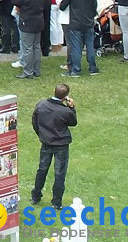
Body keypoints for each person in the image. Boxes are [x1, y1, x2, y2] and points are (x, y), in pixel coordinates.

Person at [30, 83, 77, 211]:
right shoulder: (65, 111)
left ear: (54, 91)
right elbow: (73, 122)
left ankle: (35, 197)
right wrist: (72, 108)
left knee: (42, 169)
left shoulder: (41, 105)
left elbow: (34, 121)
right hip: (61, 145)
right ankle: (56, 202)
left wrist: (42, 135)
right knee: (59, 174)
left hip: (46, 143)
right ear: (66, 97)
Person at [58, 0, 99, 76]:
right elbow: (94, 4)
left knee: (76, 46)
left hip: (75, 22)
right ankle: (93, 68)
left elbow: (63, 6)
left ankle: (76, 69)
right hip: (88, 21)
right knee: (90, 45)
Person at [13, 0, 45, 79]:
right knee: (36, 47)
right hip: (38, 21)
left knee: (27, 48)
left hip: (27, 22)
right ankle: (37, 70)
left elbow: (15, 1)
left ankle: (28, 71)